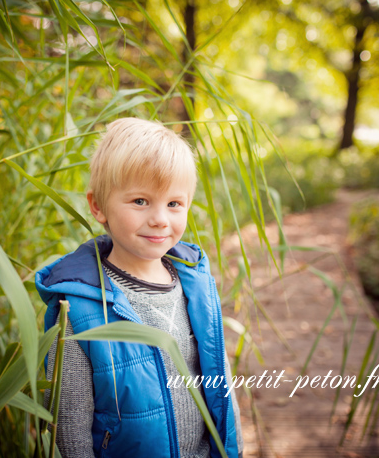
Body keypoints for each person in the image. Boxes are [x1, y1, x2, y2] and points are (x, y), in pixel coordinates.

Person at [35, 118, 243, 458]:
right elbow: (69, 422)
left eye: (174, 204)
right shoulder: (80, 307)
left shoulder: (197, 285)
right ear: (98, 206)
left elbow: (221, 383)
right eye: (141, 202)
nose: (160, 218)